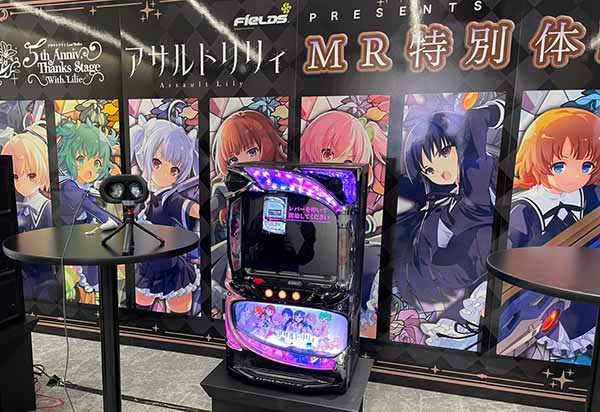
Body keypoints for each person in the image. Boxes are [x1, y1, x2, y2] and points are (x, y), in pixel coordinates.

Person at [499, 107, 600, 364]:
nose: (575, 176)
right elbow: (505, 260)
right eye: (560, 166)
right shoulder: (525, 209)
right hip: (534, 302)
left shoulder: (591, 196)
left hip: (582, 294)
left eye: (586, 165)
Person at [394, 99, 505, 323]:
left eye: (444, 153)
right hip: (451, 284)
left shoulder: (476, 174)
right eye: (430, 170)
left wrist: (496, 111)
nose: (442, 173)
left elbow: (475, 119)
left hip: (481, 266)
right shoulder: (440, 210)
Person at [210, 110, 287, 317]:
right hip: (235, 250)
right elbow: (211, 210)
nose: (243, 162)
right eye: (233, 158)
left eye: (252, 152)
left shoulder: (278, 184)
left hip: (268, 251)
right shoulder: (224, 189)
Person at [131, 117, 200, 314]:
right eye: (157, 163)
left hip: (170, 264)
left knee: (179, 307)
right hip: (146, 263)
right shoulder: (143, 194)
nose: (163, 173)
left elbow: (191, 208)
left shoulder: (170, 199)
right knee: (140, 304)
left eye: (174, 169)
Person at [57, 120, 120, 304]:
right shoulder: (68, 186)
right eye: (81, 159)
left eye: (97, 163)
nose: (90, 169)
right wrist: (118, 224)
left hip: (83, 238)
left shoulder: (84, 186)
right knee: (86, 285)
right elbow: (93, 210)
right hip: (68, 244)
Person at [2, 123, 56, 300]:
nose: (22, 183)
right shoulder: (15, 206)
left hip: (44, 273)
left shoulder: (47, 207)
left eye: (31, 175)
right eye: (15, 176)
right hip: (21, 271)